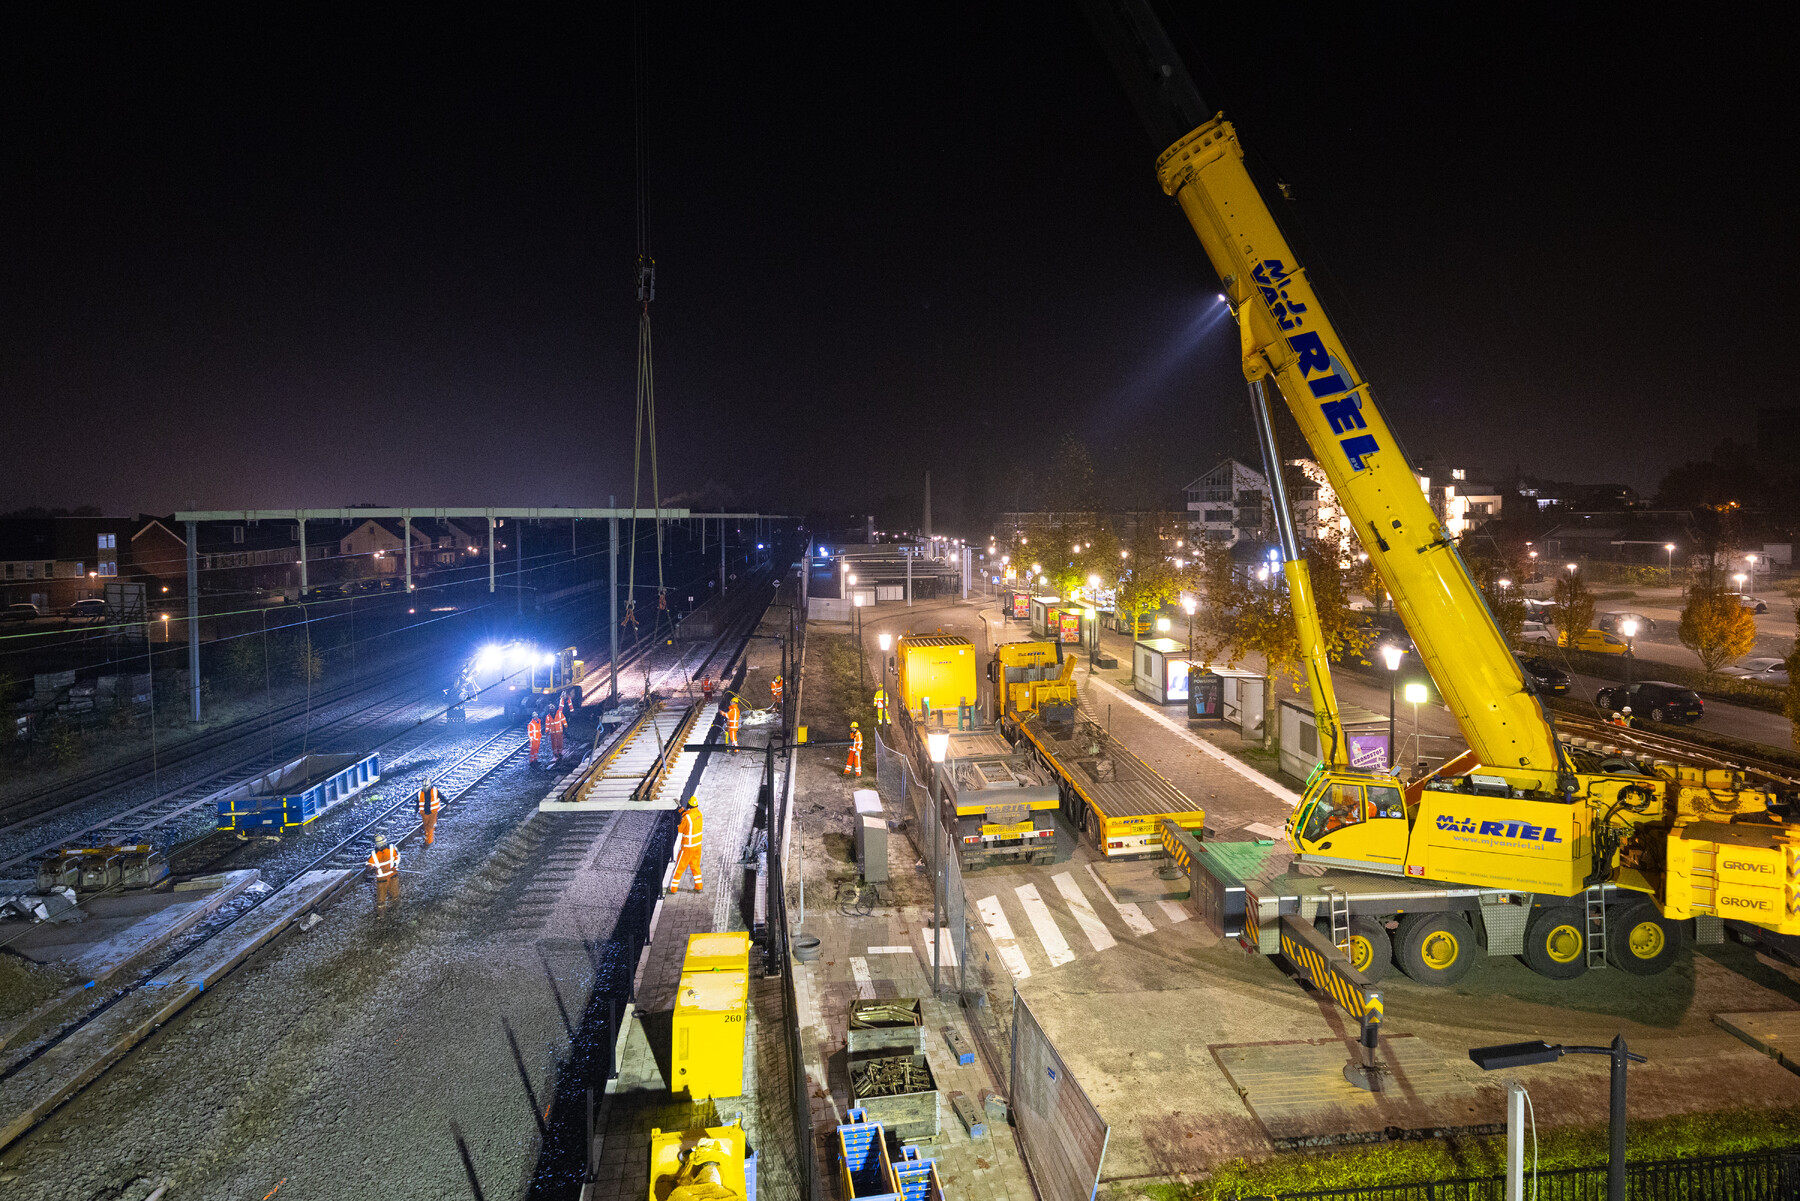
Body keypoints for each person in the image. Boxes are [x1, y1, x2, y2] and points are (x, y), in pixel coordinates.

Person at [671, 796, 703, 892]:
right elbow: (689, 815)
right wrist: (681, 810)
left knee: (679, 867)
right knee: (695, 866)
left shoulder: (687, 818)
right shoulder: (699, 814)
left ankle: (673, 888)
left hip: (687, 847)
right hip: (697, 846)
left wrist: (679, 822)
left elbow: (680, 830)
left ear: (689, 805)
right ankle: (699, 887)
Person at [368, 833, 399, 908]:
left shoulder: (391, 848)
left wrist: (395, 864)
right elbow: (369, 864)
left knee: (394, 894)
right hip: (382, 878)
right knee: (381, 898)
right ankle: (382, 913)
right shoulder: (374, 854)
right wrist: (370, 867)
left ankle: (395, 907)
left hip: (392, 875)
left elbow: (397, 857)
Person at [417, 781, 442, 845]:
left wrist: (447, 803)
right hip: (425, 813)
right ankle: (427, 840)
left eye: (426, 786)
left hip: (432, 812)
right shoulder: (420, 793)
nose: (425, 788)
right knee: (426, 827)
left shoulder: (434, 791)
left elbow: (441, 797)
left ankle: (429, 842)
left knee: (430, 827)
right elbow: (418, 802)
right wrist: (416, 811)